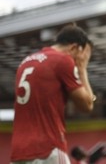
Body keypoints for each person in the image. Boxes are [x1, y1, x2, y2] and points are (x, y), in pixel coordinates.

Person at [10, 24, 95, 164]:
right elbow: (87, 105)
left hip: (19, 152)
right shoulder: (62, 60)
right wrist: (82, 69)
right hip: (47, 150)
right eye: (83, 54)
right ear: (74, 47)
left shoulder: (25, 62)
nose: (80, 59)